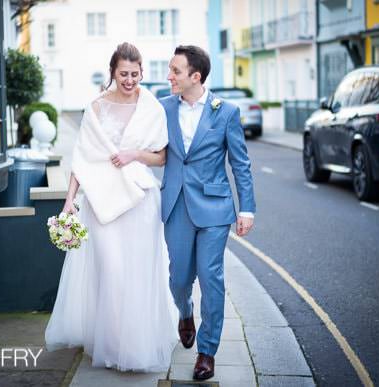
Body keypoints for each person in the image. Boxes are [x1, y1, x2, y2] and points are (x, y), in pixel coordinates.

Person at [45, 42, 178, 372]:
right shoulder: (97, 107)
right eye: (123, 74)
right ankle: (114, 344)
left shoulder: (152, 108)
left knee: (138, 275)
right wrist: (68, 203)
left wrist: (133, 155)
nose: (130, 80)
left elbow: (161, 157)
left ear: (142, 73)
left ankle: (134, 347)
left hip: (140, 200)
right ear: (112, 73)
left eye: (135, 74)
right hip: (102, 201)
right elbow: (82, 159)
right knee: (112, 272)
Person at [159, 45, 256, 380]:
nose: (168, 76)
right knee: (178, 278)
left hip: (215, 208)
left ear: (195, 76)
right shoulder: (162, 108)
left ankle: (207, 351)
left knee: (212, 278)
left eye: (175, 71)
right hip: (176, 206)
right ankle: (185, 313)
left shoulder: (225, 111)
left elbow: (240, 163)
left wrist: (248, 210)